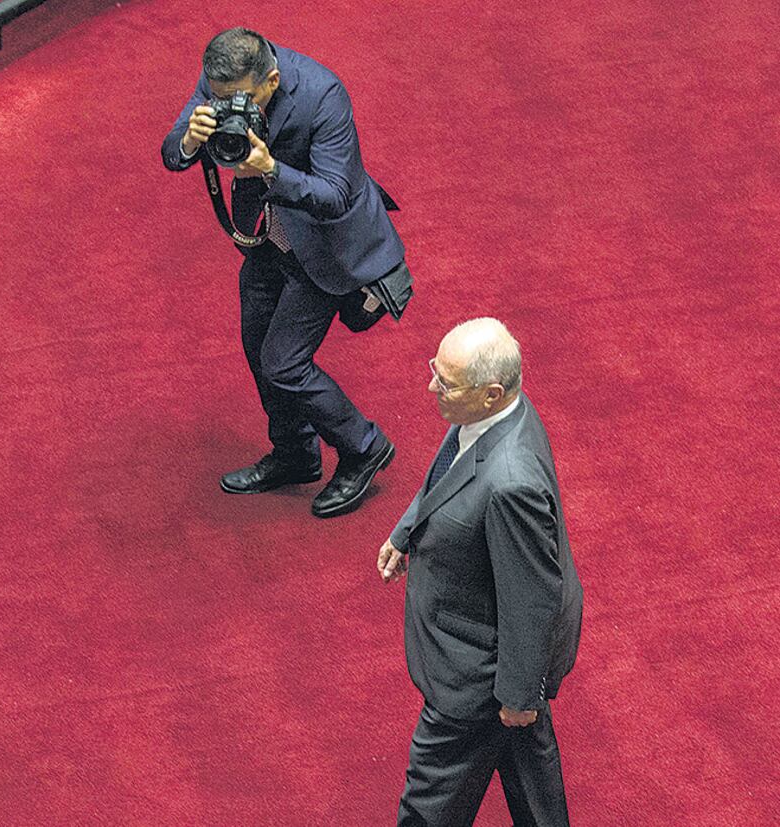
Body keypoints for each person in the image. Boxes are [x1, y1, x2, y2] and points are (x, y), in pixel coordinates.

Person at [161, 27, 409, 518]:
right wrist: (189, 141)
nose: (231, 107)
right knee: (257, 348)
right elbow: (173, 152)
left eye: (242, 100)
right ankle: (295, 453)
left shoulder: (324, 95)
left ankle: (363, 446)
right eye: (219, 98)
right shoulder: (224, 78)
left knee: (284, 363)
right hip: (264, 238)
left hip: (323, 248)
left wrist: (271, 168)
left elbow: (337, 194)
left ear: (271, 80)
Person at [377, 318, 583, 825]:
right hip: (505, 666)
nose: (431, 387)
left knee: (430, 803)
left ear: (492, 393)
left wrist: (515, 694)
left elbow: (532, 596)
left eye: (444, 383)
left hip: (475, 676)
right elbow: (452, 469)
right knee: (528, 769)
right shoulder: (496, 416)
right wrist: (408, 530)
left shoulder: (511, 483)